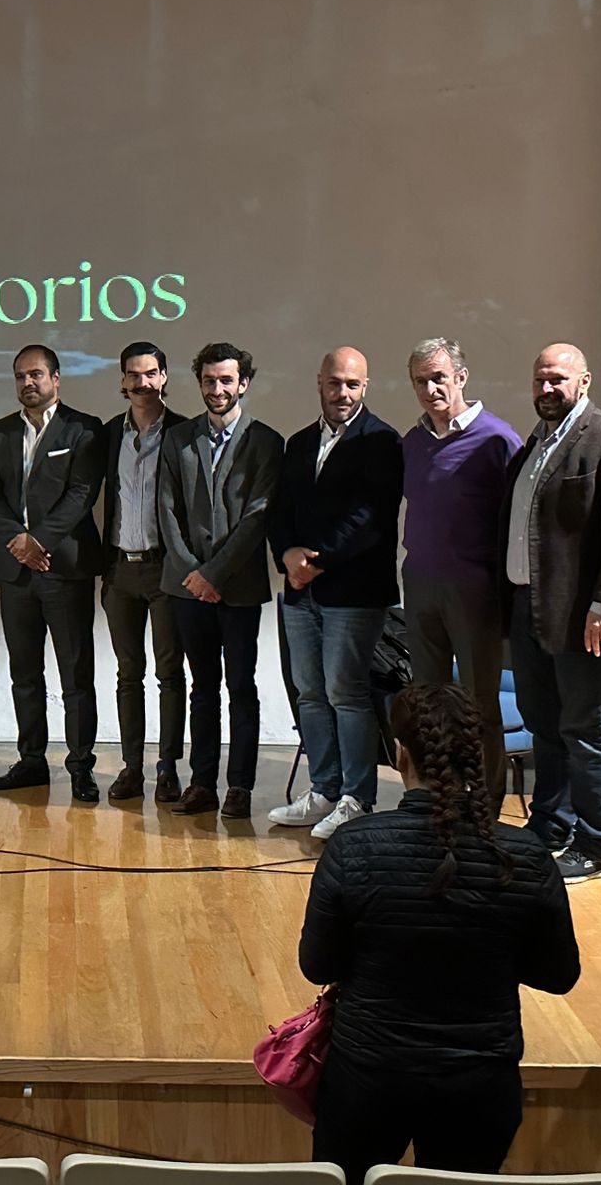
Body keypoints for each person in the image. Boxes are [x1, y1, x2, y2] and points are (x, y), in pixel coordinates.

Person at [299, 682, 580, 1180]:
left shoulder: (352, 846)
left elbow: (318, 966)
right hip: (480, 1082)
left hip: (367, 1075)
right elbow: (558, 976)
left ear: (401, 753)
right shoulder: (527, 857)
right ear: (478, 752)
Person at [503, 342, 601, 883]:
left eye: (559, 379)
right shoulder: (534, 446)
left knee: (588, 728)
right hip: (530, 608)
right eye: (541, 379)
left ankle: (597, 845)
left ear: (584, 382)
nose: (548, 389)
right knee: (545, 724)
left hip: (586, 617)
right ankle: (550, 825)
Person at [268, 347, 403, 840]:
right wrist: (287, 555)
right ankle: (323, 790)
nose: (341, 392)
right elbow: (279, 509)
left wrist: (313, 561)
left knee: (346, 693)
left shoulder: (383, 440)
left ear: (364, 387)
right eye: (334, 383)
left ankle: (356, 798)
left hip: (354, 592)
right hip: (299, 590)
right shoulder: (300, 442)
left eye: (352, 384)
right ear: (319, 383)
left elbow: (369, 518)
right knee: (309, 693)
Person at [157, 343, 284, 819]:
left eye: (226, 381)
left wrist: (214, 574)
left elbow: (257, 518)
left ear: (243, 384)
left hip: (238, 587)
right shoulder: (179, 439)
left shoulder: (267, 442)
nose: (216, 389)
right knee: (201, 687)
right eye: (209, 381)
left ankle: (241, 787)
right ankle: (202, 782)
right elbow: (165, 510)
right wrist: (195, 573)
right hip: (187, 587)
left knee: (241, 687)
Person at [0, 344, 104, 801]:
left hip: (64, 569)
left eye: (35, 375)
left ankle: (80, 767)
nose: (27, 383)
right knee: (24, 673)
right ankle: (32, 761)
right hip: (16, 573)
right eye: (19, 377)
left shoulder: (84, 428)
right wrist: (17, 540)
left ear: (56, 378)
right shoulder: (2, 431)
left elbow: (81, 493)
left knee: (76, 675)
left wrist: (39, 542)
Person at [400, 339, 522, 797]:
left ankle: (483, 808)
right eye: (421, 380)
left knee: (477, 705)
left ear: (460, 378)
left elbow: (519, 518)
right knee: (428, 705)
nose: (431, 388)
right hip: (421, 584)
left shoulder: (497, 438)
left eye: (439, 377)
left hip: (474, 589)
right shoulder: (412, 442)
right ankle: (437, 799)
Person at [101, 341, 188, 803]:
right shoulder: (109, 433)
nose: (142, 382)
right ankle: (131, 768)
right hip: (119, 571)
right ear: (122, 381)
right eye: (133, 375)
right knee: (127, 673)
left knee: (171, 675)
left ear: (164, 377)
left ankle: (168, 767)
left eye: (151, 373)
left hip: (165, 571)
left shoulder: (184, 433)